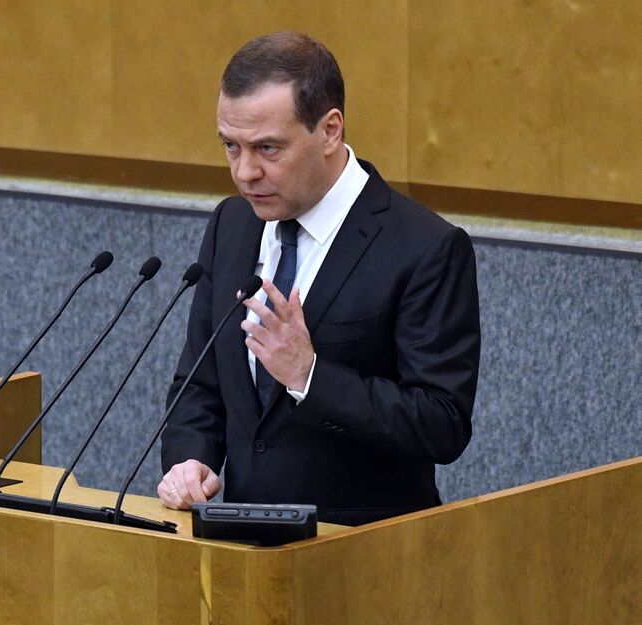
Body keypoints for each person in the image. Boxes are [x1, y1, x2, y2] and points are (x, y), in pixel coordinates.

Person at [159, 33, 480, 527]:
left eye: (268, 148)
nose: (245, 172)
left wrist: (309, 376)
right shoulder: (232, 225)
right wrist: (190, 458)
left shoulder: (424, 247)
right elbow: (199, 384)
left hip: (363, 555)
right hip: (239, 548)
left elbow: (442, 424)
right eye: (231, 146)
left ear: (330, 130)